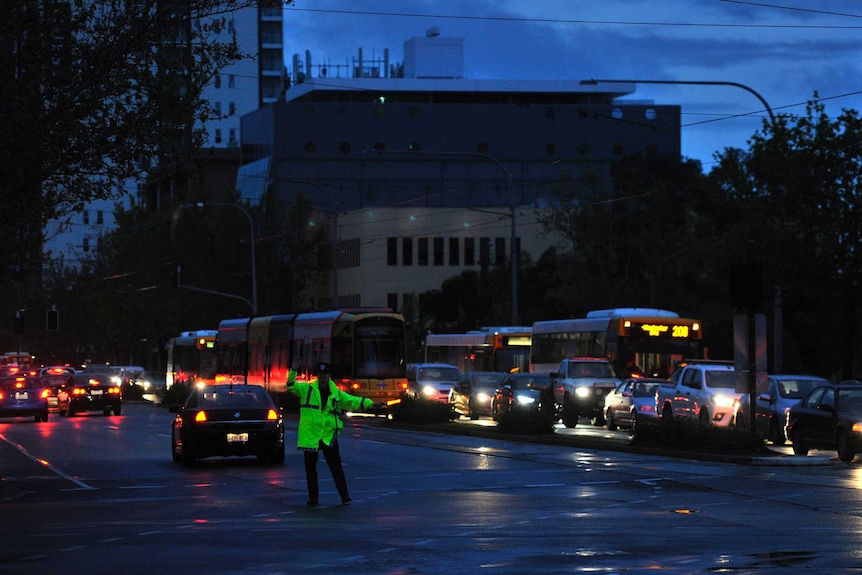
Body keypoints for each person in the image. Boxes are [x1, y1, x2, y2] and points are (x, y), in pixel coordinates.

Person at [287, 362, 374, 506]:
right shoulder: (306, 390)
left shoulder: (336, 394)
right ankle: (313, 497)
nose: (323, 377)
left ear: (329, 375)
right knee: (310, 469)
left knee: (336, 467)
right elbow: (291, 385)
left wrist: (370, 403)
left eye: (325, 374)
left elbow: (352, 401)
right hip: (311, 435)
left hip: (328, 435)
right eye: (320, 374)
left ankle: (344, 496)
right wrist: (294, 370)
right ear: (317, 375)